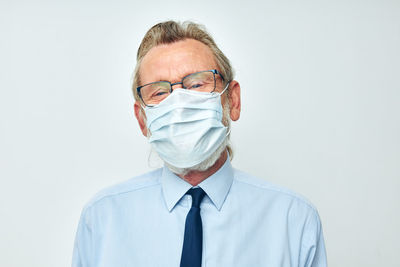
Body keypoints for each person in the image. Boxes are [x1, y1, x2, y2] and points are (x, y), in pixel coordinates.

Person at [72, 20, 327, 267]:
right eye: (160, 92)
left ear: (233, 100)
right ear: (143, 120)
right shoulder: (102, 220)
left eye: (196, 84)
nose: (179, 104)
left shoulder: (293, 222)